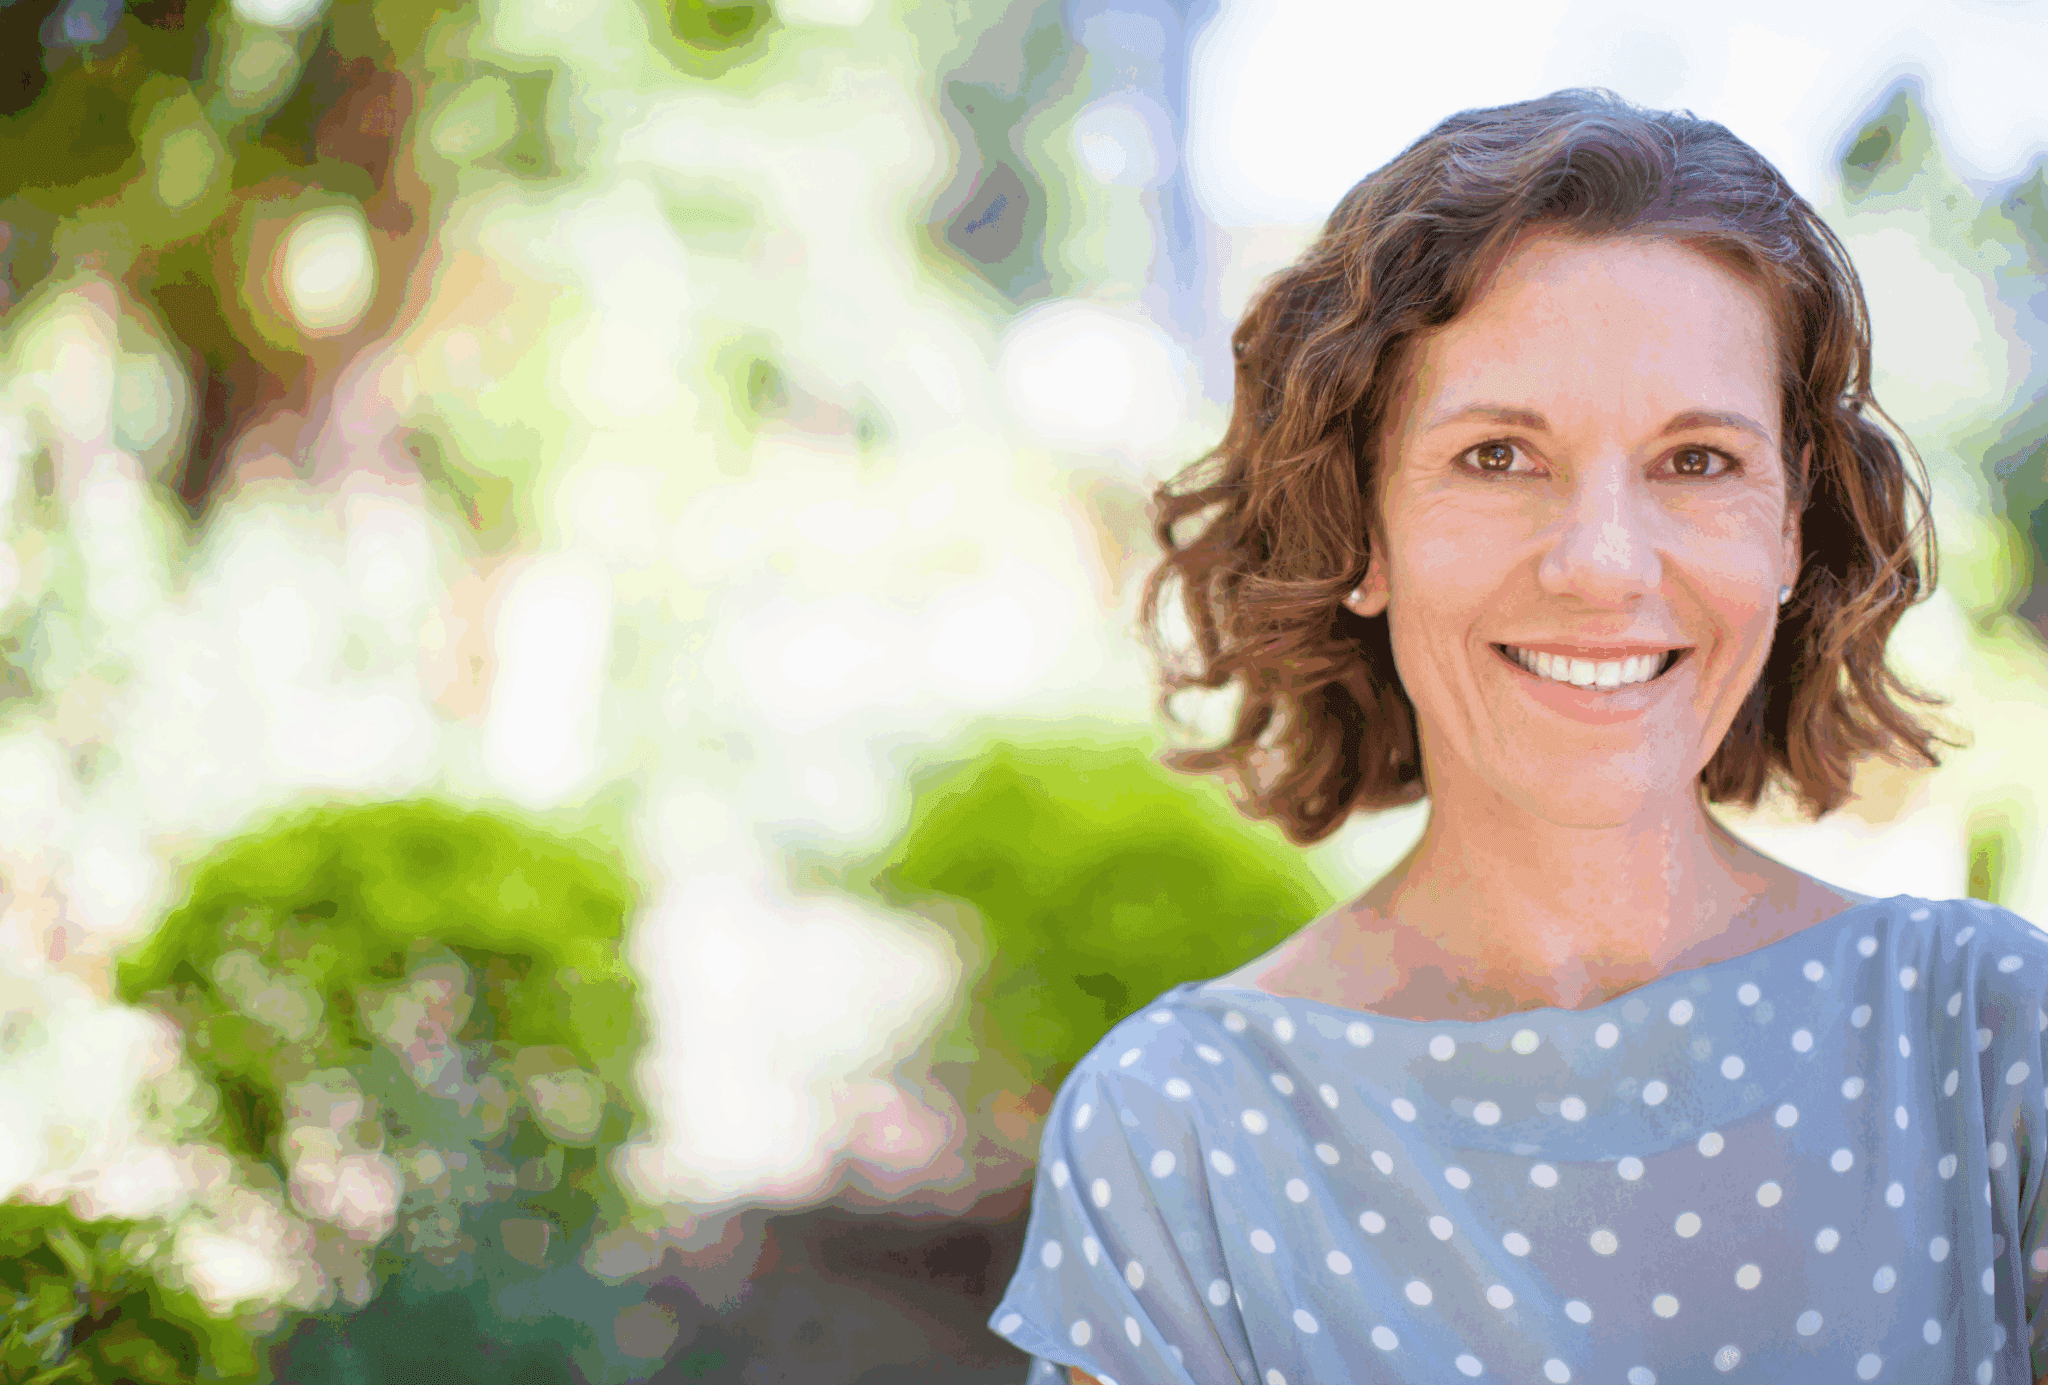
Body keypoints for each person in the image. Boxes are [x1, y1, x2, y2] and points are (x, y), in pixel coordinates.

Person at [986, 88, 2048, 1385]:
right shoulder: (1184, 1131)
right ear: (1361, 531)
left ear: (1788, 527)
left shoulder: (1991, 1040)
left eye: (1697, 461)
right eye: (1497, 456)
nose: (1603, 562)